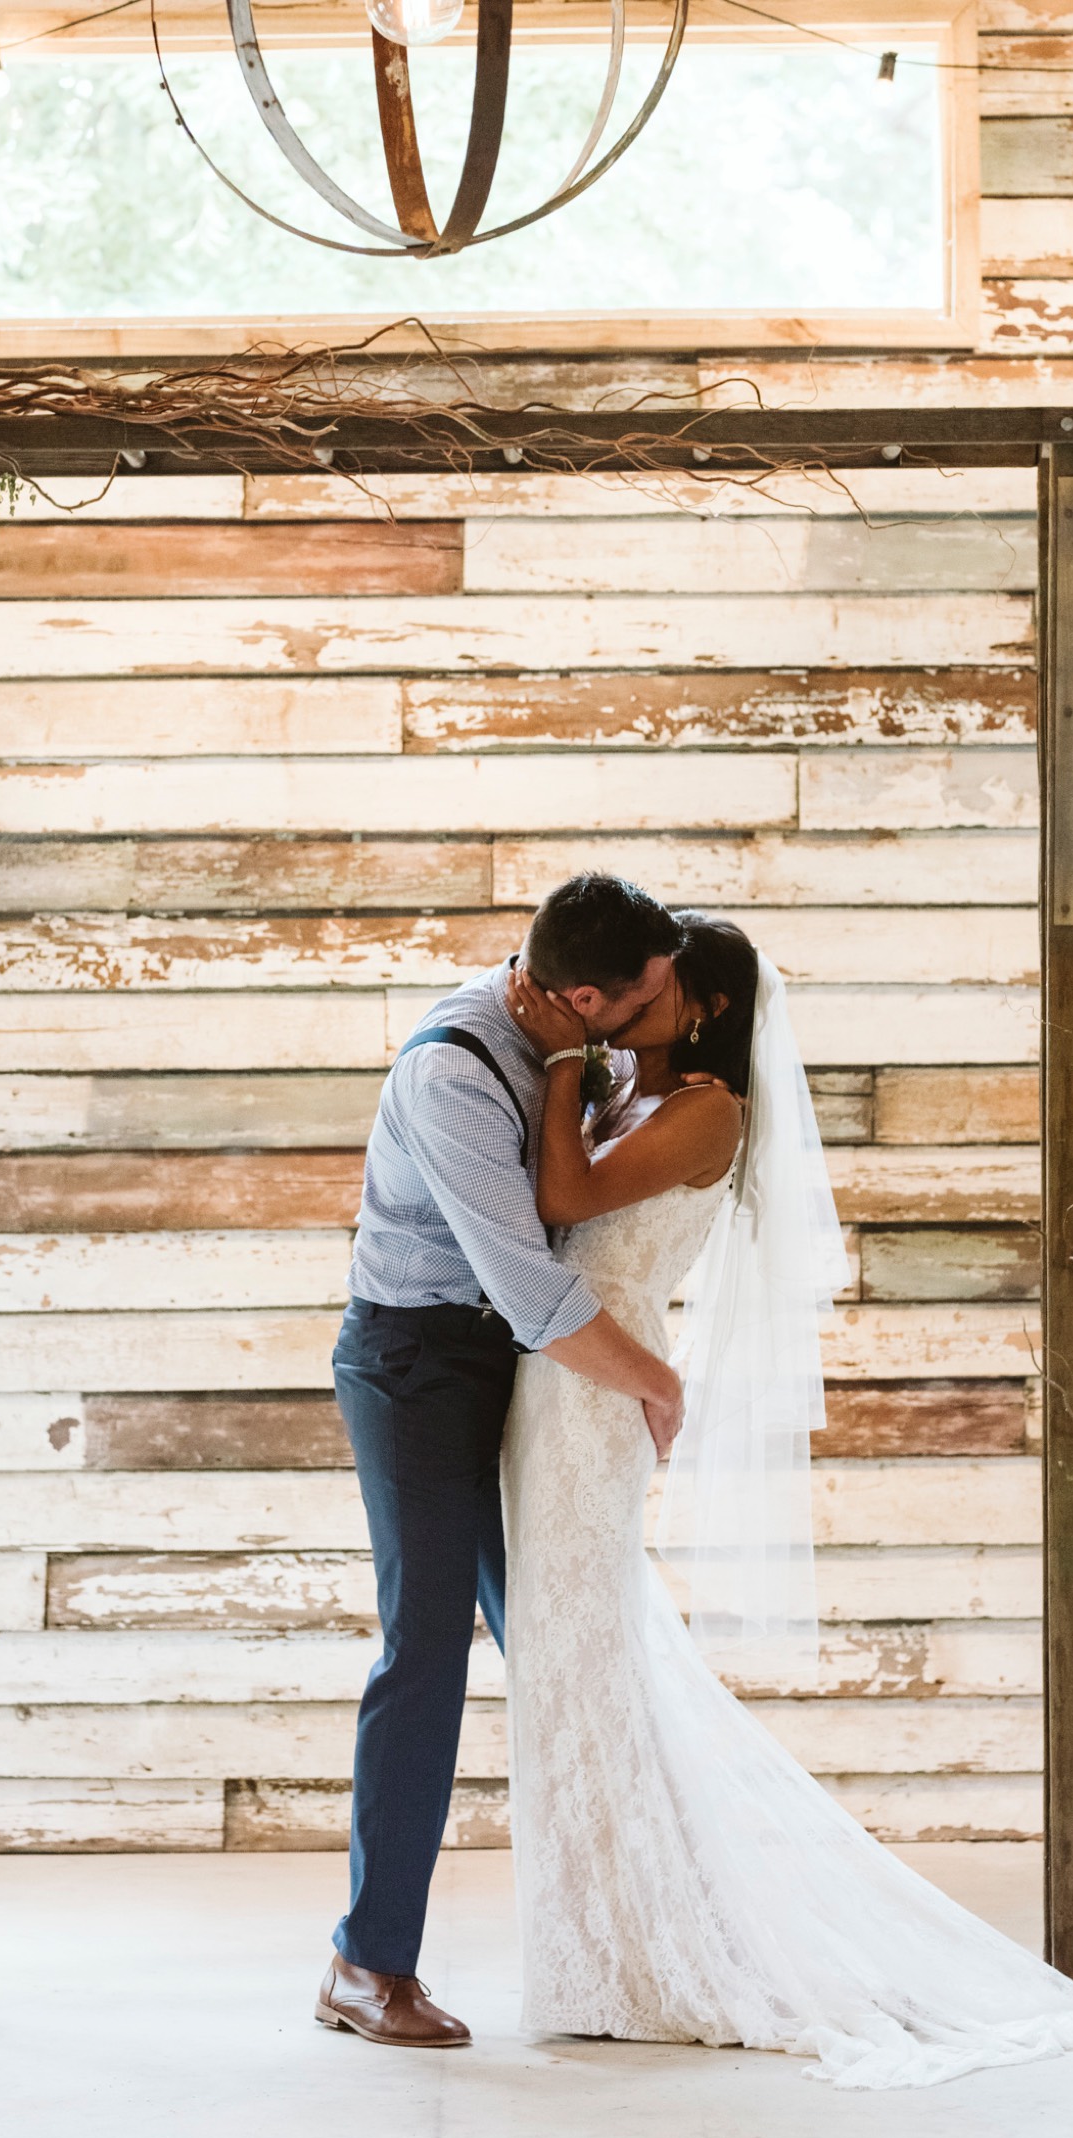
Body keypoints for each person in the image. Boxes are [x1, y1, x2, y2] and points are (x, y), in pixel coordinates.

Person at [501, 911, 1073, 2088]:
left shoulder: (707, 1114)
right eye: (619, 998)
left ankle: (639, 1958)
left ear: (707, 1010)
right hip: (557, 1382)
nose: (623, 1012)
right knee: (570, 1661)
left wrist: (562, 1055)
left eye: (647, 998)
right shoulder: (640, 1094)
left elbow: (566, 1204)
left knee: (586, 1659)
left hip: (598, 1392)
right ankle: (599, 1946)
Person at [315, 874, 687, 2049]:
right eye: (652, 1001)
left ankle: (627, 1938)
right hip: (418, 1368)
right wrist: (658, 1382)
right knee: (425, 1651)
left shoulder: (570, 1042)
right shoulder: (453, 1074)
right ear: (586, 998)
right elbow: (530, 1287)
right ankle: (367, 1966)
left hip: (508, 1368)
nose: (657, 1021)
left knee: (559, 1636)